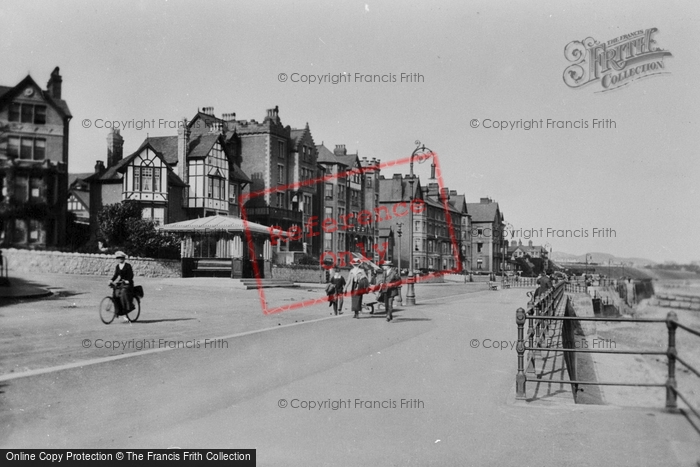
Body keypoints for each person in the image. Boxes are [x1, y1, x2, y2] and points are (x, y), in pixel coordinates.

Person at [110, 251, 135, 320]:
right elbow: (115, 275)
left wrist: (128, 280)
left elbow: (131, 275)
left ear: (124, 259)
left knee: (124, 293)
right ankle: (117, 311)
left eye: (120, 258)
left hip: (128, 284)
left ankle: (126, 312)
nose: (119, 259)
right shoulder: (118, 266)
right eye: (118, 258)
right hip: (121, 283)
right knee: (115, 294)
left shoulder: (128, 266)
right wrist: (111, 280)